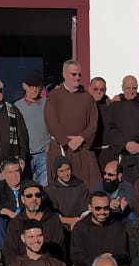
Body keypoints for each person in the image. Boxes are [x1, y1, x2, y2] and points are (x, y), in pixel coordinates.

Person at [45, 60, 102, 191]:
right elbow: (51, 121)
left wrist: (81, 138)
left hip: (83, 149)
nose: (77, 77)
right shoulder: (54, 96)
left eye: (79, 75)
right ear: (64, 74)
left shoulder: (87, 97)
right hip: (62, 149)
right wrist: (66, 142)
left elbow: (93, 123)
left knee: (91, 187)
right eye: (73, 74)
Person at [69, 191, 131, 266]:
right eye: (98, 208)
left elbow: (124, 254)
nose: (102, 212)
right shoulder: (80, 227)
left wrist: (110, 262)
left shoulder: (117, 226)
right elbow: (76, 256)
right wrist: (98, 262)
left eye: (106, 208)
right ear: (90, 208)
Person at [105, 76, 139, 183]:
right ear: (122, 88)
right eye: (128, 88)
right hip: (125, 155)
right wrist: (125, 144)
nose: (131, 91)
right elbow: (110, 129)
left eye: (134, 88)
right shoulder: (114, 107)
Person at [3, 181, 67, 263]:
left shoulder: (53, 220)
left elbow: (59, 251)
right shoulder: (15, 224)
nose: (34, 199)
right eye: (29, 196)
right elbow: (9, 254)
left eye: (38, 195)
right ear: (22, 199)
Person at [11, 70, 50, 184]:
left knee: (43, 186)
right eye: (31, 86)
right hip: (26, 155)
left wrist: (51, 143)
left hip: (44, 153)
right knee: (26, 186)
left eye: (37, 86)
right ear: (24, 86)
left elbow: (55, 124)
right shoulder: (17, 107)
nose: (34, 89)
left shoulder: (47, 103)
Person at [0, 161, 27, 252]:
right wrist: (8, 212)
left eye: (16, 171)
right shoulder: (0, 186)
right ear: (4, 174)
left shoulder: (28, 184)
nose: (14, 175)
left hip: (26, 218)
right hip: (9, 219)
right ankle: (5, 251)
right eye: (10, 172)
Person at [45, 156, 89, 227]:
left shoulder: (80, 186)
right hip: (60, 225)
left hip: (80, 224)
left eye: (67, 169)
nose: (66, 174)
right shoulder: (50, 190)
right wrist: (69, 221)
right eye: (61, 171)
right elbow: (51, 213)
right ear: (56, 172)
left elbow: (86, 208)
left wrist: (79, 221)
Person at [89, 76, 114, 167]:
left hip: (107, 152)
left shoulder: (110, 106)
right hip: (90, 152)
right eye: (95, 89)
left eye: (102, 89)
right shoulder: (84, 105)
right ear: (89, 88)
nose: (99, 92)